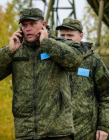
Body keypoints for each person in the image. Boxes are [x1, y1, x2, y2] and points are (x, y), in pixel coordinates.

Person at [0, 8, 83, 140]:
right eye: (24, 25)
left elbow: (75, 61)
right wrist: (9, 52)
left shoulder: (57, 44)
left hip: (57, 131)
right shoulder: (16, 50)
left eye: (32, 24)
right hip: (25, 132)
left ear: (43, 24)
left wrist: (47, 43)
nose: (28, 28)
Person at [56, 18, 109, 140]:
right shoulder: (51, 58)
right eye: (62, 35)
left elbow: (108, 96)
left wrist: (104, 126)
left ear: (81, 36)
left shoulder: (93, 61)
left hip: (85, 133)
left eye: (70, 35)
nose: (66, 38)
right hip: (55, 133)